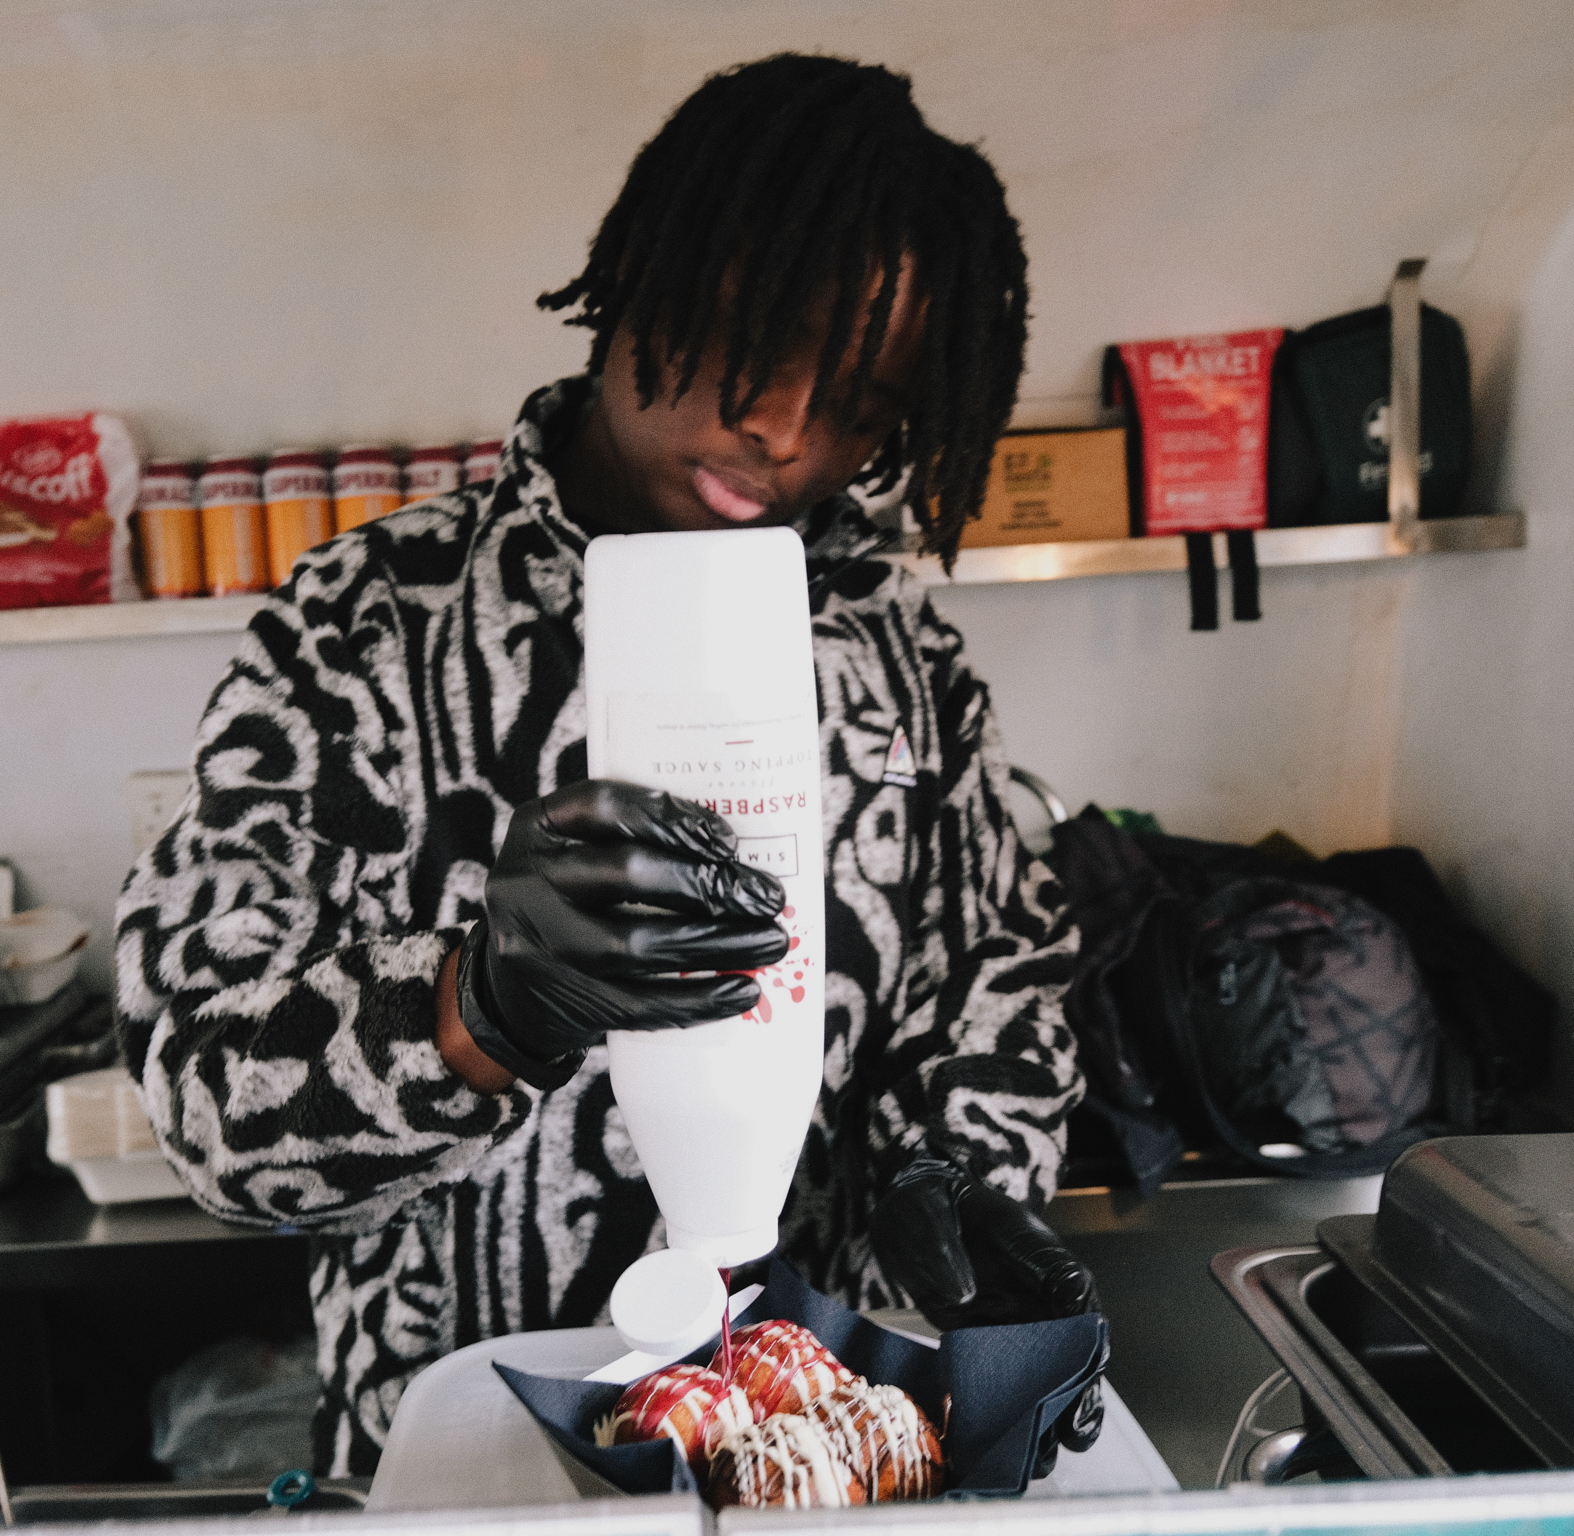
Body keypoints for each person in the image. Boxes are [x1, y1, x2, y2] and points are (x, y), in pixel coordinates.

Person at [116, 53, 1094, 1477]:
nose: (787, 430)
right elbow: (204, 1105)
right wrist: (476, 1004)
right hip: (449, 1466)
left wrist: (960, 1176)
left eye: (866, 404)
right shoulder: (366, 629)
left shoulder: (896, 652)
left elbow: (1001, 974)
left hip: (793, 1465)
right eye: (769, 336)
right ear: (651, 265)